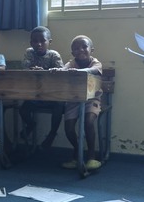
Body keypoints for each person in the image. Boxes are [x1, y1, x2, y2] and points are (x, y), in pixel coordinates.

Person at [53, 35, 103, 171]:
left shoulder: (96, 63)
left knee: (89, 122)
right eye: (76, 48)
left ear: (91, 49)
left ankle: (91, 156)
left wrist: (79, 71)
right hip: (74, 100)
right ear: (72, 52)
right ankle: (78, 151)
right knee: (69, 128)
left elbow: (92, 70)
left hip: (91, 100)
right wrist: (58, 71)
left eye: (84, 47)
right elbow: (64, 69)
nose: (80, 50)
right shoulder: (71, 63)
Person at [19, 26, 64, 148]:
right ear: (31, 43)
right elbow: (25, 66)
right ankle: (31, 124)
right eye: (35, 41)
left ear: (49, 42)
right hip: (35, 95)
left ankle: (52, 134)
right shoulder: (29, 52)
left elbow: (62, 74)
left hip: (52, 96)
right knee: (23, 109)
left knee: (59, 105)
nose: (38, 44)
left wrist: (45, 71)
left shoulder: (54, 55)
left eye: (42, 41)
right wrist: (31, 69)